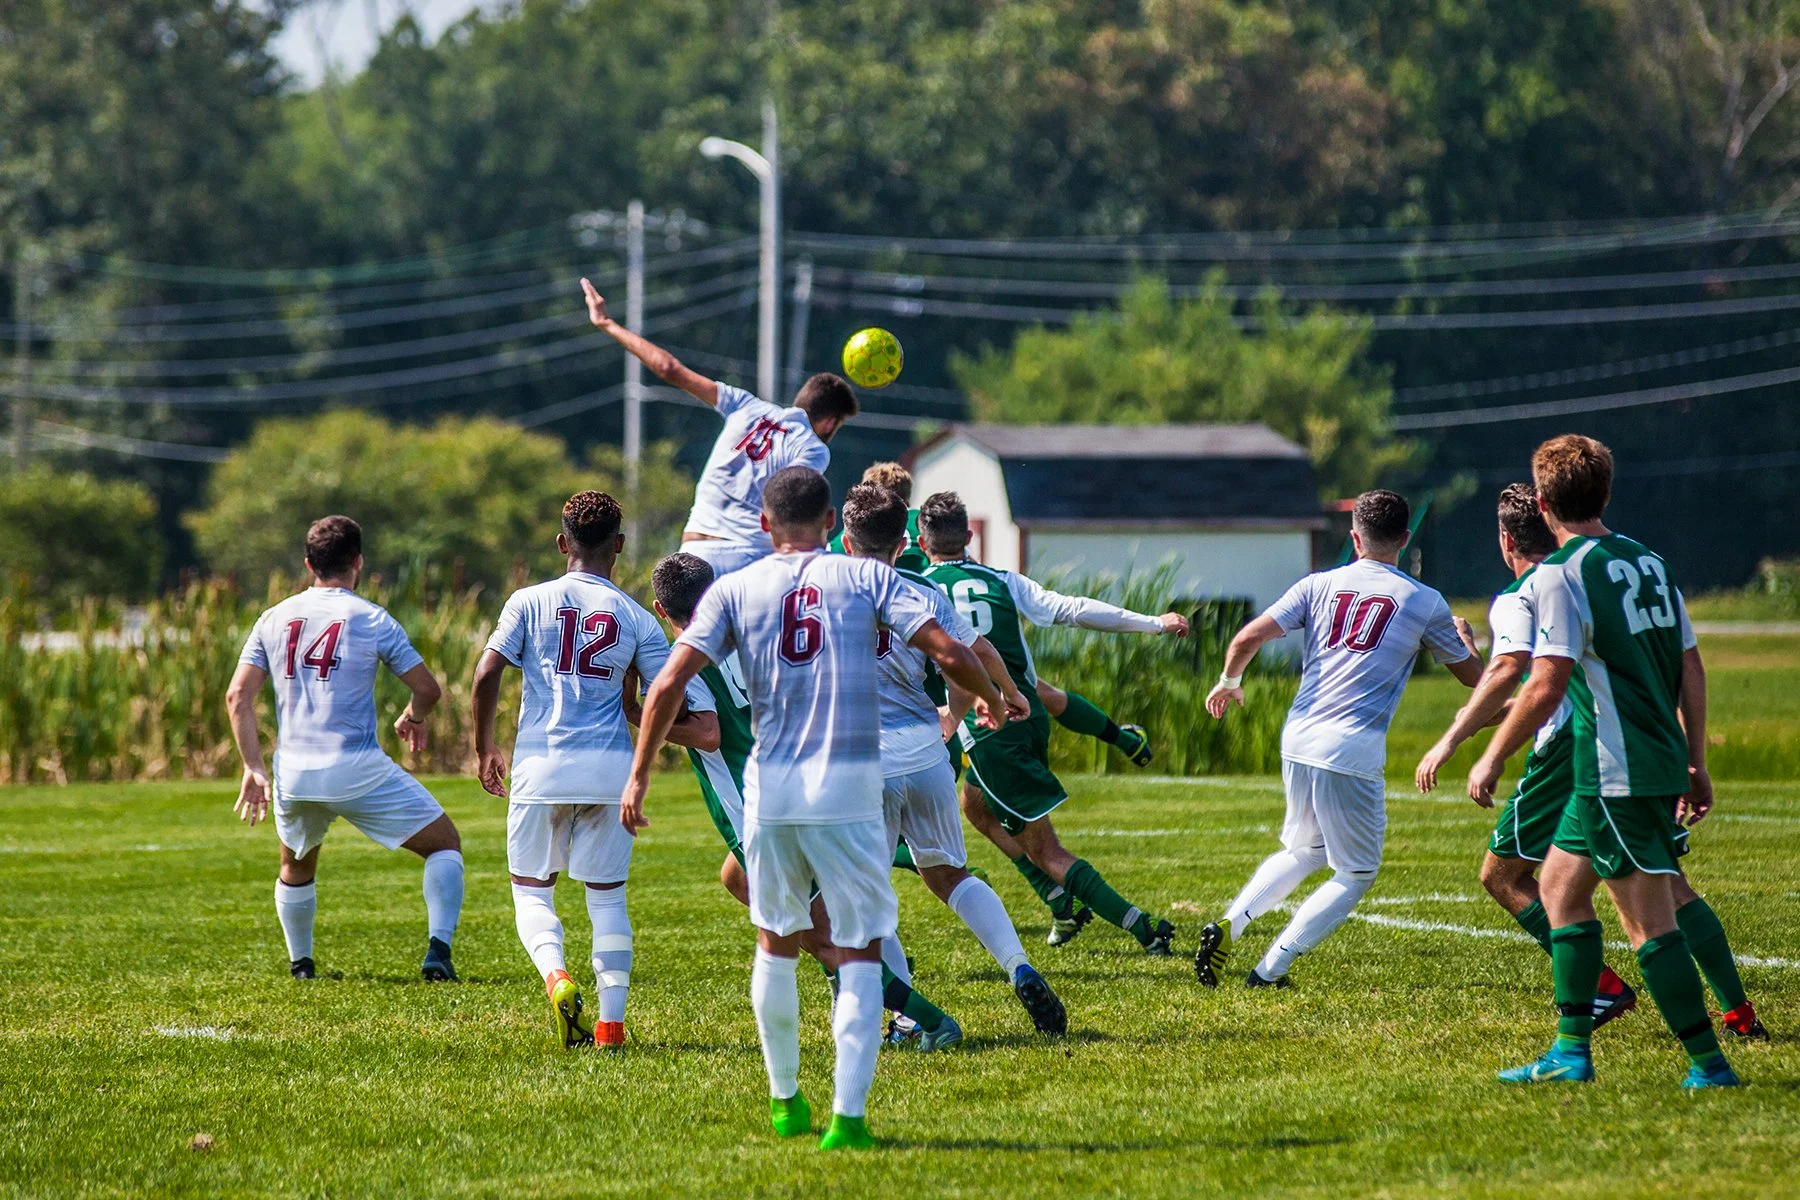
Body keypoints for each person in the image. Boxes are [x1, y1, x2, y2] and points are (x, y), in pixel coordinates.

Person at [623, 467, 1012, 1150]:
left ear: (766, 526)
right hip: (848, 785)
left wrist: (637, 781)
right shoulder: (866, 577)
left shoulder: (735, 588)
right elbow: (950, 649)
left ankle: (784, 1102)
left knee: (774, 942)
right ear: (831, 523)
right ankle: (849, 1120)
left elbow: (666, 686)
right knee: (860, 952)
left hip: (770, 791)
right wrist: (990, 697)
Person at [1468, 436, 1744, 1088]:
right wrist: (1695, 759)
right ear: (1606, 493)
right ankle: (1571, 1051)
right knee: (1560, 891)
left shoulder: (1561, 574)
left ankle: (1709, 1063)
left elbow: (1546, 683)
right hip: (1645, 762)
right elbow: (1691, 665)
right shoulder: (1649, 561)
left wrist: (1490, 755)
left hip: (1614, 768)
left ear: (1541, 503)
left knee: (1649, 920)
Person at [646, 551, 968, 1051]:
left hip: (758, 805)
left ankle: (927, 1021)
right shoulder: (755, 637)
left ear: (662, 610)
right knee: (743, 880)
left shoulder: (690, 659)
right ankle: (870, 991)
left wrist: (646, 717)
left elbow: (708, 734)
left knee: (822, 935)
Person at [1196, 489, 1482, 989]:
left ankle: (1230, 923)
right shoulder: (1424, 599)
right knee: (1355, 873)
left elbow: (1246, 638)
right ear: (1406, 538)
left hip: (1299, 734)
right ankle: (1270, 970)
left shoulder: (1318, 584)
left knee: (1304, 849)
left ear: (1354, 537)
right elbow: (1473, 679)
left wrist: (1229, 682)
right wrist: (1469, 643)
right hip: (1352, 745)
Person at [471, 491, 713, 1049]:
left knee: (532, 893)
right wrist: (635, 711)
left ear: (562, 544)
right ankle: (610, 1026)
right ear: (620, 547)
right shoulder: (636, 618)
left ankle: (557, 978)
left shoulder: (527, 601)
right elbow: (679, 700)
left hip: (541, 765)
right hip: (609, 771)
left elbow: (488, 673)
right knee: (607, 898)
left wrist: (484, 746)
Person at [838, 483, 1067, 1036]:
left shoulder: (823, 592)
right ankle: (1019, 965)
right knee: (949, 875)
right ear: (902, 543)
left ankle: (903, 1017)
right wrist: (992, 699)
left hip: (858, 757)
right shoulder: (920, 589)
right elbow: (973, 654)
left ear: (847, 541)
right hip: (923, 750)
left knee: (865, 886)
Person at [918, 491, 1189, 954]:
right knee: (976, 805)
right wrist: (1152, 623)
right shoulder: (1003, 579)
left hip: (990, 726)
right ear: (968, 536)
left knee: (1047, 849)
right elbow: (1073, 609)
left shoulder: (916, 588)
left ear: (922, 544)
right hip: (1029, 712)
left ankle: (1145, 928)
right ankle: (1056, 898)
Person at [1416, 485, 1642, 1025]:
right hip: (1618, 737)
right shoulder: (1576, 578)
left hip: (1566, 745)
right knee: (1643, 883)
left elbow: (1510, 678)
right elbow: (1525, 690)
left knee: (1504, 876)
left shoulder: (1523, 593)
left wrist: (1455, 741)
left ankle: (1600, 988)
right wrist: (1473, 660)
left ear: (1505, 538)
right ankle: (1732, 1010)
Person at [226, 515, 464, 982]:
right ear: (358, 562)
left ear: (308, 563)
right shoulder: (371, 618)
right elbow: (428, 689)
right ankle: (438, 953)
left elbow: (238, 696)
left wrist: (253, 767)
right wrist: (413, 717)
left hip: (293, 769)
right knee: (444, 846)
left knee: (296, 863)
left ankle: (301, 965)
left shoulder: (272, 618)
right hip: (355, 766)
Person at [830, 461, 1155, 767]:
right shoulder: (926, 520)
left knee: (924, 712)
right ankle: (1124, 739)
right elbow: (959, 561)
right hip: (946, 624)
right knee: (1034, 691)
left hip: (898, 633)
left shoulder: (846, 540)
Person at [581, 277, 857, 577]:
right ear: (830, 422)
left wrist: (607, 323)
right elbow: (793, 506)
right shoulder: (812, 447)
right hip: (750, 558)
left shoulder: (745, 404)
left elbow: (668, 368)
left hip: (694, 552)